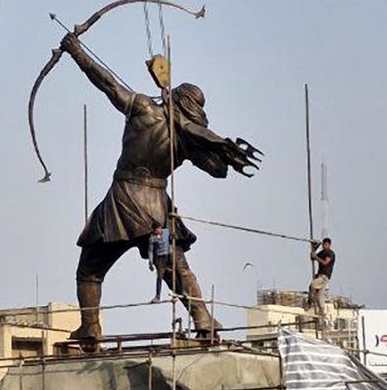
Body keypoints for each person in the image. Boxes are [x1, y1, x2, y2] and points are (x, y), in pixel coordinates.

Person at [57, 32, 261, 350]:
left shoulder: (143, 109)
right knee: (174, 266)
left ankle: (91, 327)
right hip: (156, 208)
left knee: (90, 269)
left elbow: (108, 83)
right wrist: (223, 153)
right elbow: (217, 172)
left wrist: (76, 51)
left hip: (121, 202)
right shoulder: (186, 137)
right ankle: (202, 318)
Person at [308, 237, 336, 327]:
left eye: (326, 244)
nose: (324, 246)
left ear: (329, 245)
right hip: (320, 275)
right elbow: (312, 257)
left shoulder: (330, 253)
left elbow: (325, 263)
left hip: (324, 276)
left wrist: (316, 257)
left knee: (312, 285)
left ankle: (310, 301)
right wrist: (314, 248)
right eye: (323, 244)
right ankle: (322, 314)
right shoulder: (322, 252)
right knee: (320, 297)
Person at [147, 221, 170, 303]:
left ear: (160, 228)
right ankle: (157, 296)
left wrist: (174, 236)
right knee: (159, 277)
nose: (156, 232)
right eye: (154, 230)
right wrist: (150, 262)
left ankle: (183, 291)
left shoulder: (166, 232)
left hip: (168, 256)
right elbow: (150, 251)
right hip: (159, 259)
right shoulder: (152, 238)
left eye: (157, 230)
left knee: (178, 273)